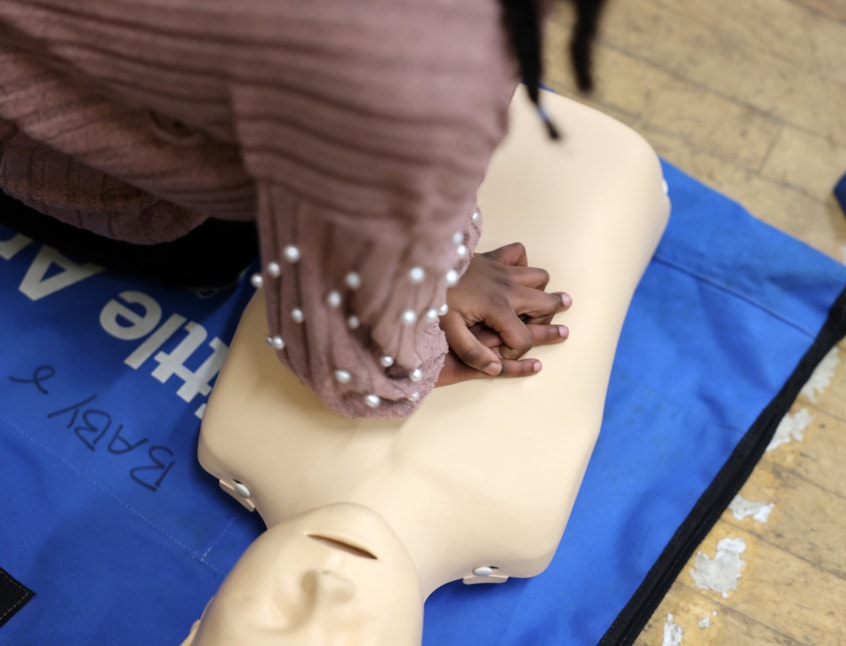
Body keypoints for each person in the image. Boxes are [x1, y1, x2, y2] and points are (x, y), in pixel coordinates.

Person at [183, 86, 671, 645]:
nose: (329, 592)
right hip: (582, 154)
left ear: (192, 637)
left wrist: (419, 275)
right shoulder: (518, 523)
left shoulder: (235, 436)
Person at [0, 0, 605, 418]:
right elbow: (349, 361)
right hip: (41, 129)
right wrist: (417, 304)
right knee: (207, 247)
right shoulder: (391, 51)